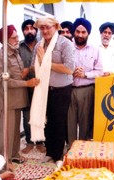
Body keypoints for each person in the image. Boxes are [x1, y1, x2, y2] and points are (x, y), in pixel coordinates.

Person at [0, 24, 40, 163]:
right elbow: (6, 82)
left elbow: (17, 74)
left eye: (17, 36)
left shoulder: (15, 53)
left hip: (16, 100)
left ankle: (14, 156)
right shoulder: (0, 58)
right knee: (6, 133)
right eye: (14, 37)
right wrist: (27, 83)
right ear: (5, 40)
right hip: (5, 101)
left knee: (15, 132)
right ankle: (5, 161)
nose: (18, 39)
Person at [29, 16, 75, 164]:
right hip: (43, 89)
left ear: (56, 27)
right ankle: (49, 152)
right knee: (46, 120)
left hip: (61, 89)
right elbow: (33, 66)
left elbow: (69, 69)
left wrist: (46, 62)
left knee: (59, 122)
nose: (45, 30)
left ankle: (58, 155)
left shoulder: (65, 44)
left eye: (48, 27)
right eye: (42, 27)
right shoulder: (39, 46)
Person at [67, 18, 103, 147]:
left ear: (88, 33)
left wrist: (85, 74)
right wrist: (70, 71)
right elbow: (59, 66)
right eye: (77, 31)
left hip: (87, 89)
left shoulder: (95, 50)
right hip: (68, 89)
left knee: (85, 122)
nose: (80, 35)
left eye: (84, 32)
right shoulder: (67, 47)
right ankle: (71, 148)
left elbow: (99, 72)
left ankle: (82, 148)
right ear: (74, 32)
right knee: (69, 122)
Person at [19, 19, 46, 154]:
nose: (29, 31)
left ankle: (41, 141)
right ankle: (30, 142)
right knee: (27, 114)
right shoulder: (19, 47)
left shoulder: (43, 45)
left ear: (36, 31)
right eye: (26, 28)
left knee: (41, 113)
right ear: (23, 31)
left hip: (40, 85)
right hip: (25, 86)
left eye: (32, 28)